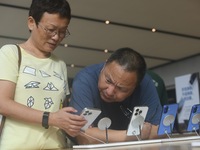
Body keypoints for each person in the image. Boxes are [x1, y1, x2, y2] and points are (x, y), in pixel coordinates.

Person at [0, 0, 86, 149]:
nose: (56, 37)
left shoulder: (60, 64)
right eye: (51, 29)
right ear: (31, 23)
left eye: (62, 31)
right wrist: (51, 118)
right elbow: (3, 103)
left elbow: (60, 111)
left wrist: (70, 123)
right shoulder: (11, 53)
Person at [69, 47, 163, 144]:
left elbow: (161, 130)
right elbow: (83, 137)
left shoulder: (145, 84)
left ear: (136, 86)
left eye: (121, 88)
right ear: (105, 65)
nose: (109, 92)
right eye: (108, 80)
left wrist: (97, 135)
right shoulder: (85, 80)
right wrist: (131, 136)